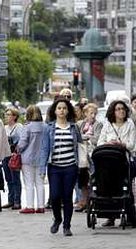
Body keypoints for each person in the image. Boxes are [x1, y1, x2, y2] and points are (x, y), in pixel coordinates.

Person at [40, 98, 81, 236]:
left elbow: (80, 145)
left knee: (67, 196)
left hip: (70, 167)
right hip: (55, 167)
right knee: (55, 196)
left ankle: (67, 226)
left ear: (68, 110)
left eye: (64, 108)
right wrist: (42, 170)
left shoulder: (74, 127)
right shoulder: (49, 128)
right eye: (59, 108)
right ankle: (57, 219)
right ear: (55, 111)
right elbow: (45, 149)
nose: (62, 110)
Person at [97, 100, 136, 227]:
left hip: (124, 160)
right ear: (113, 111)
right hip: (108, 161)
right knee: (108, 185)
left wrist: (121, 144)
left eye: (123, 109)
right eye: (118, 109)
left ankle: (130, 216)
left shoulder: (130, 124)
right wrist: (109, 143)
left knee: (126, 186)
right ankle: (110, 216)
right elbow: (99, 142)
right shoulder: (108, 124)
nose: (121, 111)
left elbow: (132, 145)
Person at [17, 105, 45, 214]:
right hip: (41, 158)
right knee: (40, 183)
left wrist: (17, 149)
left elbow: (22, 143)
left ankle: (30, 206)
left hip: (27, 158)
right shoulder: (45, 127)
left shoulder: (27, 127)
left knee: (29, 183)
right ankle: (41, 206)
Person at [75, 103, 102, 212]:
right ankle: (83, 201)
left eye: (95, 113)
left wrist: (85, 137)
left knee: (93, 178)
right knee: (82, 179)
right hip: (81, 155)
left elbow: (98, 139)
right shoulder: (79, 124)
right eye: (91, 113)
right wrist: (86, 137)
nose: (93, 115)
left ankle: (92, 202)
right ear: (85, 113)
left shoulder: (98, 125)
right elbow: (76, 138)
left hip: (92, 155)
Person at [2, 107, 23, 210]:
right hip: (5, 155)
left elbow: (22, 140)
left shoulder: (18, 127)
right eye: (6, 114)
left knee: (15, 178)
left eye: (9, 114)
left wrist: (17, 150)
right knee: (8, 178)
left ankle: (17, 201)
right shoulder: (4, 127)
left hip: (14, 156)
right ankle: (10, 200)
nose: (6, 116)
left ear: (14, 116)